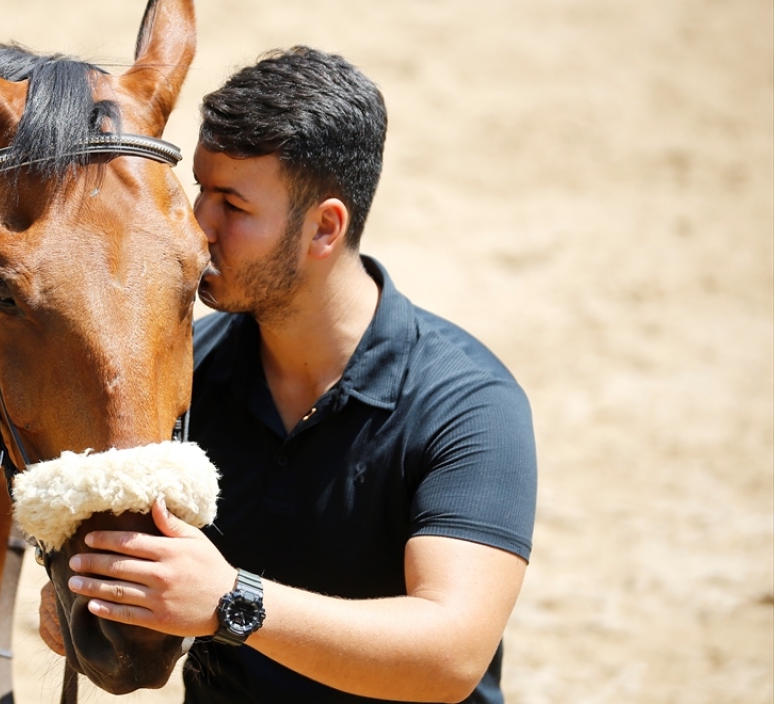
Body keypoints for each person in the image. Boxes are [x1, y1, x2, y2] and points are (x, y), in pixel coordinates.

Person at [40, 46, 537, 703]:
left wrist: (231, 602)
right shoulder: (188, 372)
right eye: (201, 190)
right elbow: (154, 593)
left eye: (233, 206)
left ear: (324, 229)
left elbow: (451, 656)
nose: (197, 228)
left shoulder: (467, 405)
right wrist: (95, 597)